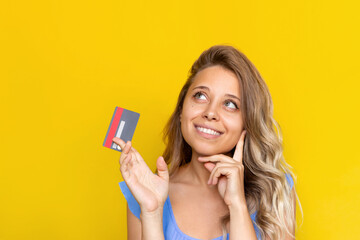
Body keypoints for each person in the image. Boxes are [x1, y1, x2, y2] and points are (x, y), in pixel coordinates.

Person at [112, 45, 301, 240]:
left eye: (230, 104)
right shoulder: (145, 193)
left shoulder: (276, 192)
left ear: (248, 122)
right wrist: (152, 213)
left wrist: (237, 205)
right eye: (200, 96)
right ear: (181, 111)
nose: (210, 112)